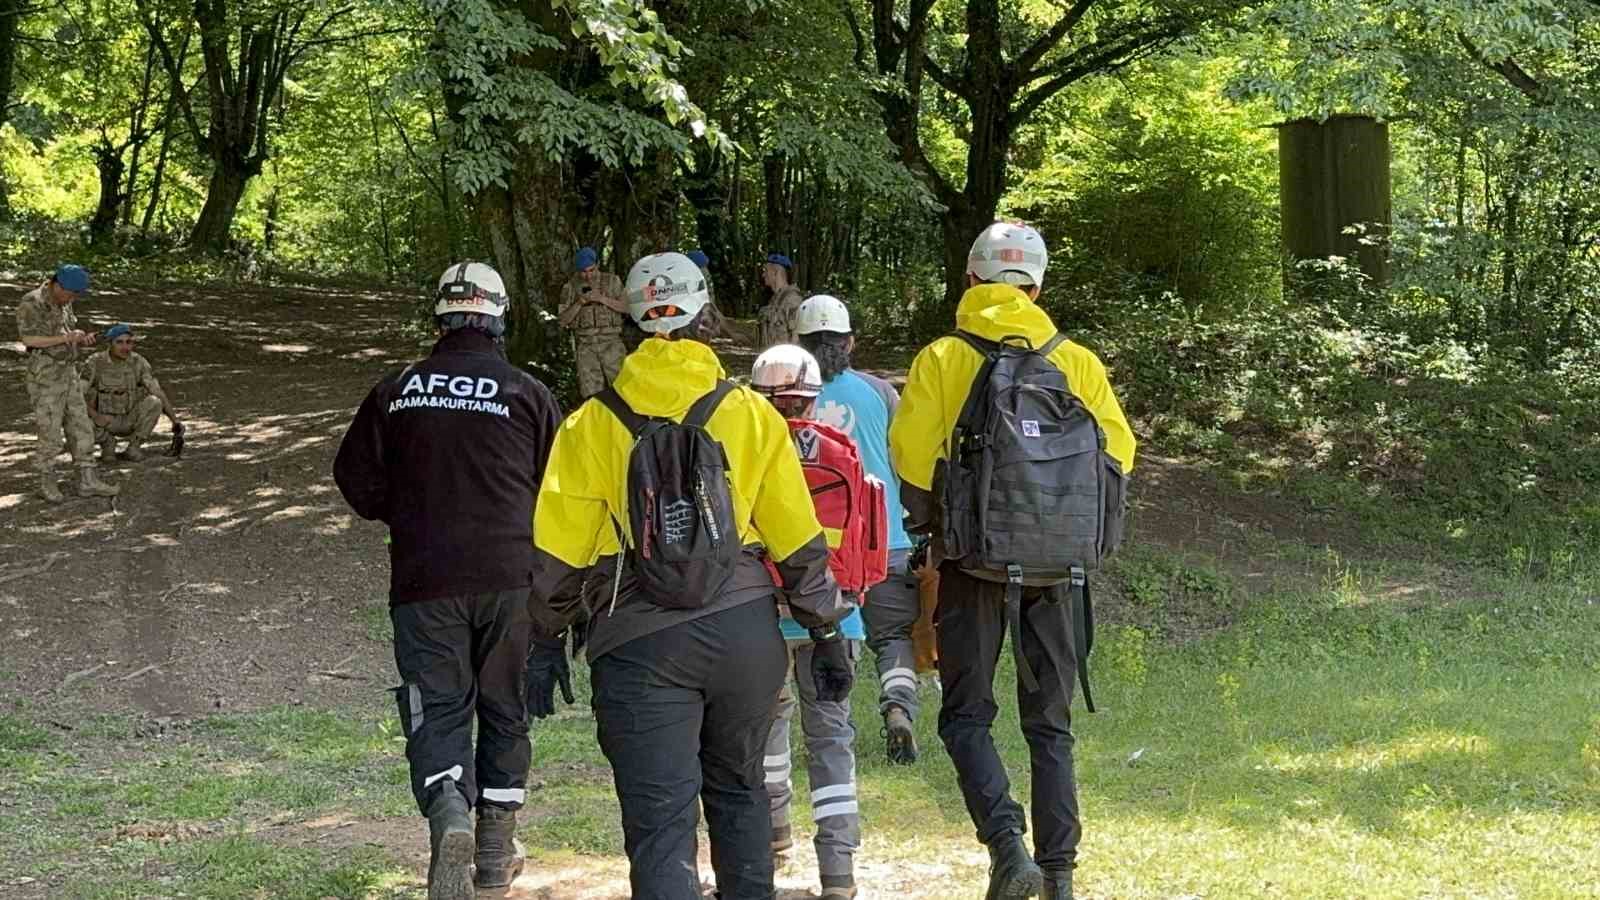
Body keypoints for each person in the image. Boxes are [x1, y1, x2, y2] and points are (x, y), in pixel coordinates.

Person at [524, 251, 856, 900]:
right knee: (740, 794)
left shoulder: (589, 425)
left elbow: (558, 557)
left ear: (632, 320)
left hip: (638, 641)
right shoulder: (753, 414)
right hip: (744, 636)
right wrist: (826, 632)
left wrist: (541, 643)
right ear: (705, 314)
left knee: (660, 828)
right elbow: (797, 538)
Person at [888, 224, 1137, 900]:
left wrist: (937, 523)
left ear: (971, 282)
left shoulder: (944, 356)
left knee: (966, 715)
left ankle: (1006, 846)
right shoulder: (1075, 360)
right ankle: (1059, 876)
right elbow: (1119, 454)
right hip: (1061, 571)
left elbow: (910, 456)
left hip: (972, 563)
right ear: (1038, 286)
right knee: (1049, 725)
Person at [333, 261, 563, 900]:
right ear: (497, 318)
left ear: (439, 316)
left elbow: (353, 475)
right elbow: (562, 485)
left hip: (424, 577)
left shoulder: (397, 388)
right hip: (512, 576)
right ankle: (494, 845)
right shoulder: (526, 393)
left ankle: (448, 811)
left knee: (435, 703)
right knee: (504, 700)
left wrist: (406, 512)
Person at [749, 344, 864, 900]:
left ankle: (772, 842)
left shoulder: (745, 448)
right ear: (814, 401)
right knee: (832, 736)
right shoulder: (840, 449)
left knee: (764, 732)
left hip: (761, 616)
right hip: (835, 617)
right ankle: (838, 871)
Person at [794, 295, 922, 765]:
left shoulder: (786, 397)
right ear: (850, 342)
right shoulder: (881, 393)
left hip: (819, 548)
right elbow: (904, 463)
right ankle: (898, 709)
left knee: (829, 636)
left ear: (798, 343)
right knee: (893, 637)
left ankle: (833, 730)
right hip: (885, 540)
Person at [14, 264, 120, 501]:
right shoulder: (31, 302)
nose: (72, 298)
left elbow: (66, 331)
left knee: (81, 425)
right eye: (70, 293)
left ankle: (87, 479)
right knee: (50, 430)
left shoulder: (64, 301)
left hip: (68, 372)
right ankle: (47, 480)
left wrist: (79, 338)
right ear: (57, 285)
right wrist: (64, 338)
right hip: (45, 376)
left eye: (75, 295)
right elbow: (29, 339)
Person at [84, 324, 180, 462]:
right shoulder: (95, 362)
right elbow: (77, 394)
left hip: (130, 418)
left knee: (154, 402)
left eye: (129, 342)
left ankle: (134, 447)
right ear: (110, 343)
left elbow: (156, 391)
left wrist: (174, 420)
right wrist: (95, 415)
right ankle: (107, 443)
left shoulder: (139, 362)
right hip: (103, 422)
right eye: (119, 342)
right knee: (76, 412)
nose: (125, 347)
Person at [558, 247, 628, 398]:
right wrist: (579, 303)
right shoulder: (570, 287)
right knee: (592, 395)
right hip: (586, 347)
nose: (588, 276)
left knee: (623, 389)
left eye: (591, 270)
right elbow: (563, 321)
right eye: (583, 272)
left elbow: (626, 308)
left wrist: (602, 299)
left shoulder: (613, 281)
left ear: (597, 265)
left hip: (612, 344)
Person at [757, 253, 804, 349]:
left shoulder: (792, 300)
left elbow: (797, 338)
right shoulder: (774, 301)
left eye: (766, 271)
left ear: (776, 272)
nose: (763, 275)